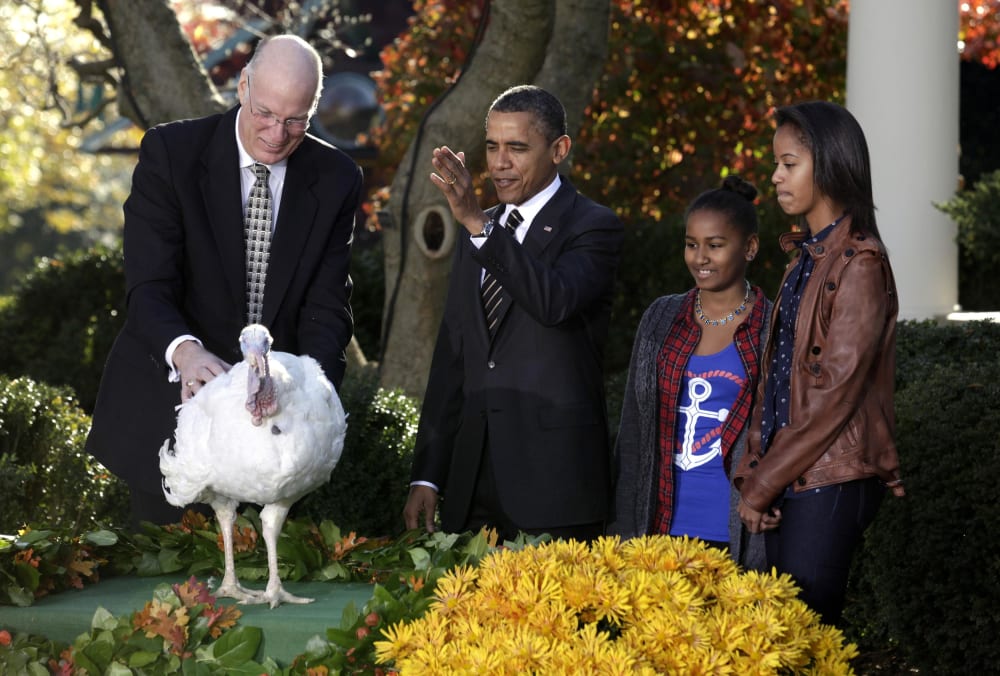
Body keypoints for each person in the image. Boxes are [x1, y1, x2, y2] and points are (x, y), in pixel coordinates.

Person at [87, 35, 362, 528]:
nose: (277, 134)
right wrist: (187, 354)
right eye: (265, 113)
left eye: (295, 120)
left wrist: (305, 395)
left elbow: (327, 307)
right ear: (241, 87)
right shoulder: (172, 153)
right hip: (172, 423)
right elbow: (149, 286)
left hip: (276, 439)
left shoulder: (337, 178)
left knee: (262, 590)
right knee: (170, 597)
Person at [402, 85, 625, 542]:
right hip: (471, 490)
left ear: (559, 149)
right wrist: (427, 474)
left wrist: (479, 226)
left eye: (517, 148)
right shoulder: (479, 232)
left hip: (555, 488)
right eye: (492, 146)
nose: (499, 163)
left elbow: (554, 301)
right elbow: (454, 358)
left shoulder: (594, 226)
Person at [735, 101, 905, 625]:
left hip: (832, 477)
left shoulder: (860, 264)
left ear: (828, 165)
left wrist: (764, 486)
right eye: (777, 163)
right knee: (785, 635)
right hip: (795, 474)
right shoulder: (804, 260)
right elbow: (777, 383)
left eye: (789, 164)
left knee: (806, 636)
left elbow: (834, 395)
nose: (775, 176)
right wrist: (755, 470)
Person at [608, 176, 773, 570]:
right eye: (691, 244)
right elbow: (634, 430)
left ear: (749, 247)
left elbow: (786, 430)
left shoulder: (773, 327)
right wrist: (623, 530)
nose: (700, 257)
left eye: (715, 246)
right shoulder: (662, 318)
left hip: (735, 530)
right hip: (660, 527)